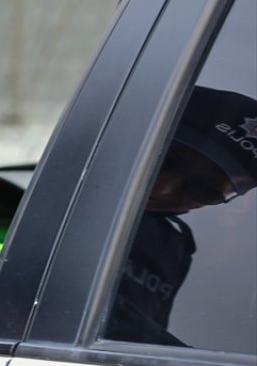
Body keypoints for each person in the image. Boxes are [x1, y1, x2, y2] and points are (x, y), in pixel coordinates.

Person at [106, 85, 257, 346]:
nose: (165, 187)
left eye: (204, 189)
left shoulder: (171, 248)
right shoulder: (49, 205)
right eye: (162, 160)